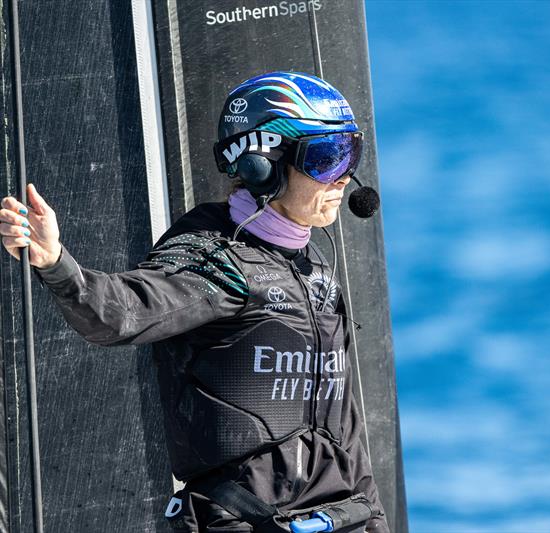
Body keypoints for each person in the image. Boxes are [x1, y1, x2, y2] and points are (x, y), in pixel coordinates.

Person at [0, 71, 388, 533]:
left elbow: (347, 430)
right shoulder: (213, 256)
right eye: (326, 157)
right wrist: (57, 263)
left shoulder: (315, 264)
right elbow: (120, 314)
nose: (345, 175)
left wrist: (376, 519)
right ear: (261, 164)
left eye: (349, 152)